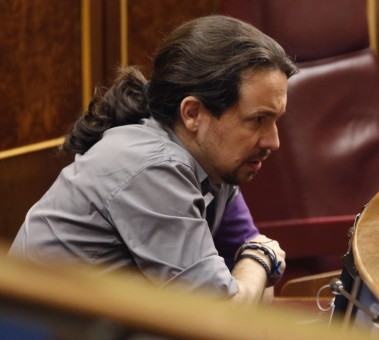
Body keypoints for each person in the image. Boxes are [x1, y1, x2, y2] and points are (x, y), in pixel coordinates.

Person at [8, 15, 298, 303]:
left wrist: (253, 266)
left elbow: (256, 293)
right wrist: (260, 260)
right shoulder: (153, 168)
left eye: (274, 121)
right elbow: (224, 313)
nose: (273, 141)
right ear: (193, 113)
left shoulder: (215, 161)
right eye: (257, 120)